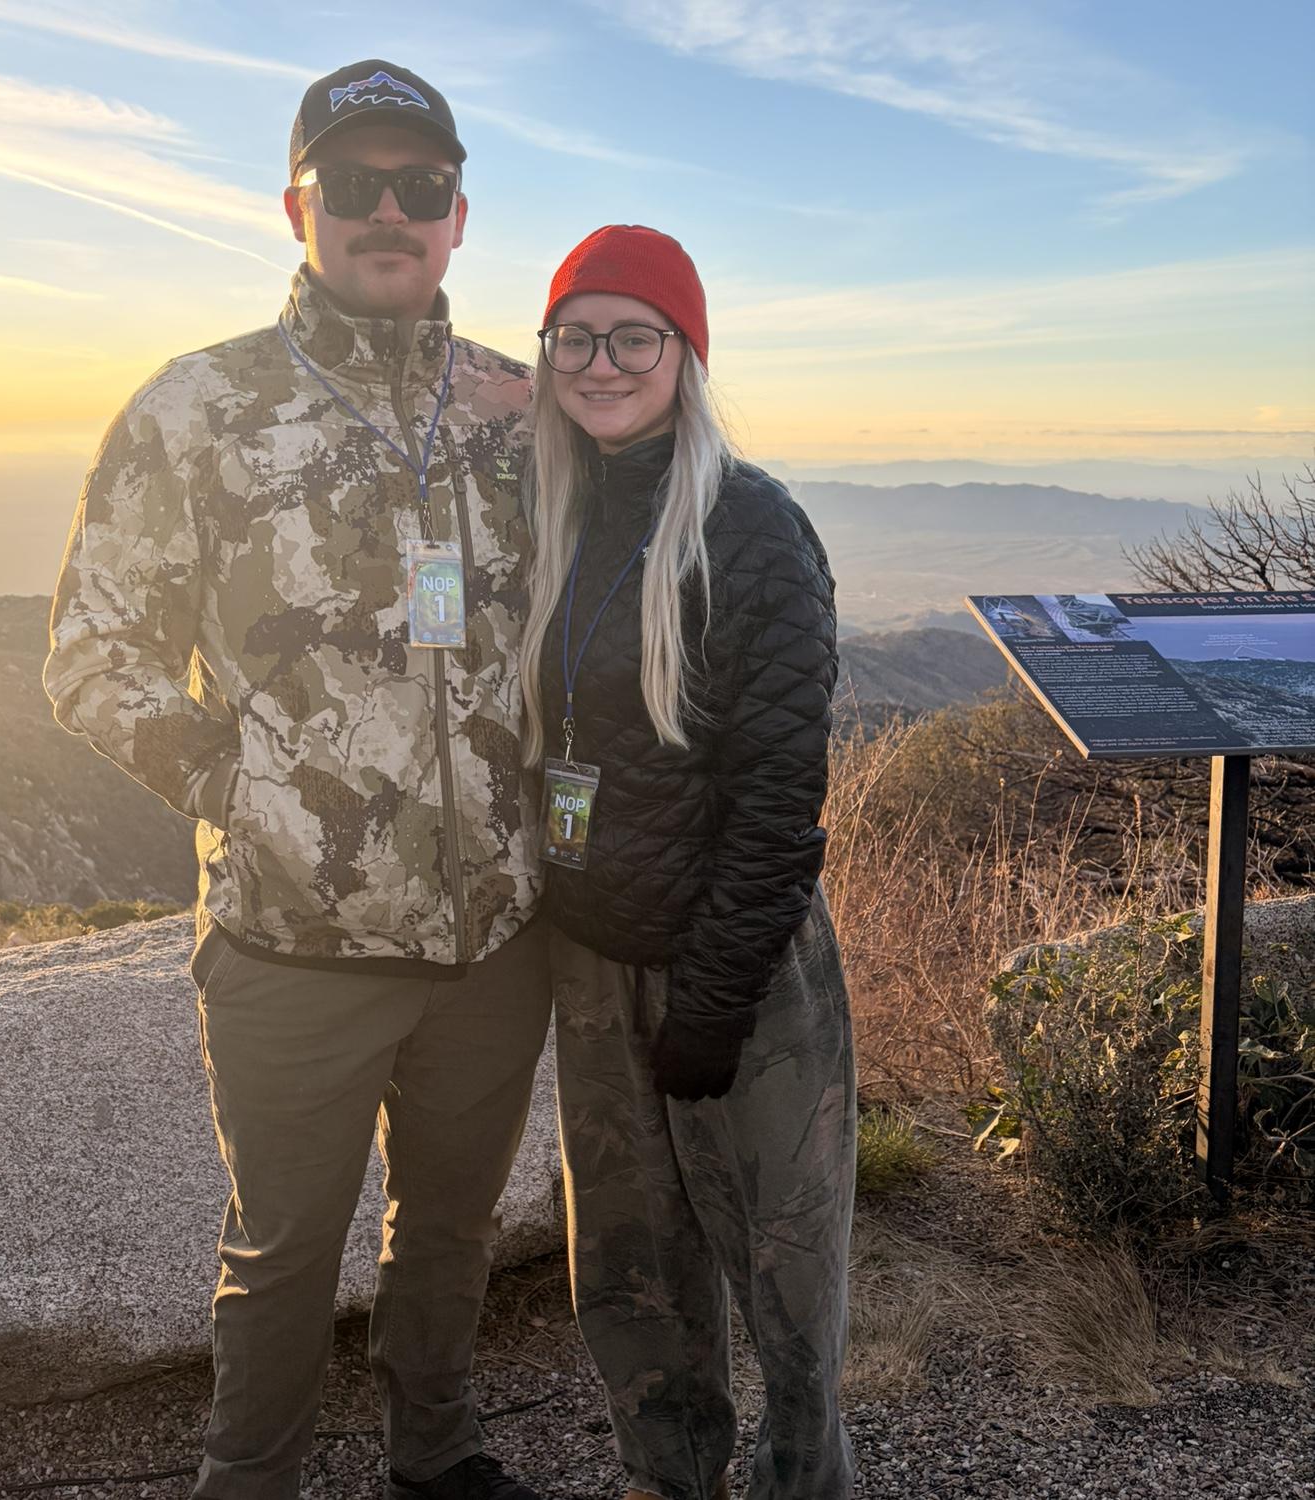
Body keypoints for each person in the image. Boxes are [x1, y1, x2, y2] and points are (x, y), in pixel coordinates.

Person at [43, 59, 551, 1500]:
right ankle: (249, 1477)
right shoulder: (197, 408)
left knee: (451, 1231)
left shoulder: (518, 411)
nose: (390, 211)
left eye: (421, 186)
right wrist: (245, 793)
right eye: (355, 185)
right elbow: (90, 655)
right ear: (298, 208)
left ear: (459, 216)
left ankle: (436, 1456)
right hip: (292, 938)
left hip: (497, 938)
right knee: (282, 1253)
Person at [520, 225, 856, 1500]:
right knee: (630, 1272)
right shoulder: (554, 507)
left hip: (742, 968)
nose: (601, 363)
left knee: (786, 1277)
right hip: (595, 959)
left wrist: (712, 998)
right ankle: (667, 1479)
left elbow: (780, 794)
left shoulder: (752, 526)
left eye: (634, 337)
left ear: (686, 355)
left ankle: (802, 1485)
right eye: (575, 338)